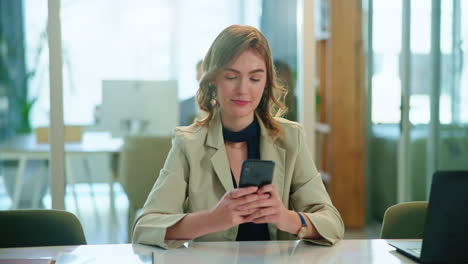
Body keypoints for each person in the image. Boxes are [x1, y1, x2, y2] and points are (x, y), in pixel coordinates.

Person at [133, 25, 344, 249]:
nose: (243, 90)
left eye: (254, 79)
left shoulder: (291, 138)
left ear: (266, 84)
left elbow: (333, 223)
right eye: (232, 76)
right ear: (213, 80)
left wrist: (286, 218)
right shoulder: (188, 143)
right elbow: (145, 227)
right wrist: (212, 219)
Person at [179, 60, 203, 126]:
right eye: (201, 74)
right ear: (197, 77)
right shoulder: (183, 106)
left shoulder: (222, 105)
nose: (204, 78)